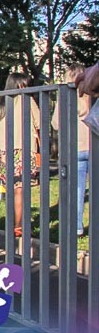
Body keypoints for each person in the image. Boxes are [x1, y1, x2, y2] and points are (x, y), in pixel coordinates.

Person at [0, 72, 41, 238]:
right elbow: (40, 121)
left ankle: (12, 223)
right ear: (21, 85)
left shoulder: (1, 102)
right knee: (21, 190)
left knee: (11, 190)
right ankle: (19, 226)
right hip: (23, 149)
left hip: (3, 152)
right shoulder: (26, 99)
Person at [58, 66, 93, 237]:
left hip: (74, 148)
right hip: (94, 145)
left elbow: (56, 124)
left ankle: (77, 227)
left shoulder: (64, 97)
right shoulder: (91, 94)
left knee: (77, 190)